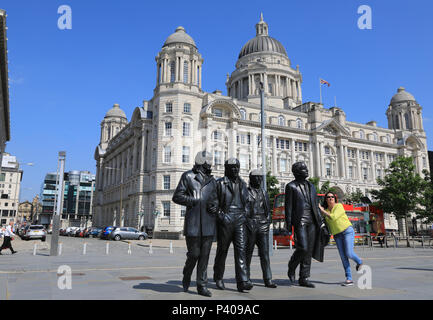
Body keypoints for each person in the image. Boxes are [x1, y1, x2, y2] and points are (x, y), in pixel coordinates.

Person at [172, 151, 218, 297]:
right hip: (193, 223)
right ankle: (187, 274)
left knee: (205, 256)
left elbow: (216, 199)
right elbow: (177, 196)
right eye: (209, 161)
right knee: (194, 254)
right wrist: (193, 201)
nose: (211, 163)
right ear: (202, 162)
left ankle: (201, 285)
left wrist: (215, 206)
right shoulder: (188, 176)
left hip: (209, 223)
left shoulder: (213, 180)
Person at [212, 158, 253, 293]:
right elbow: (213, 204)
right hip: (226, 219)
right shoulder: (219, 183)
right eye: (232, 167)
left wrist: (245, 213)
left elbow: (247, 202)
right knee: (222, 250)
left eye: (237, 167)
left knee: (241, 250)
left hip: (240, 219)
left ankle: (242, 281)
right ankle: (218, 277)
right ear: (227, 168)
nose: (235, 169)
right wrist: (222, 217)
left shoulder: (242, 183)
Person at [285, 162, 326, 288]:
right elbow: (288, 207)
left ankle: (304, 277)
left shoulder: (312, 186)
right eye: (303, 169)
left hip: (312, 220)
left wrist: (322, 223)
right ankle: (292, 266)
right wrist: (288, 224)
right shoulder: (291, 186)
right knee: (302, 247)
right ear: (296, 172)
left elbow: (316, 205)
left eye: (306, 168)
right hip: (300, 220)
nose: (306, 170)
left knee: (308, 251)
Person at [319, 191, 363, 286]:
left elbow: (333, 217)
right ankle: (349, 278)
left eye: (332, 197)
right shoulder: (326, 211)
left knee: (349, 253)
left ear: (335, 199)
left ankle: (359, 261)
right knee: (343, 257)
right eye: (328, 197)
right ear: (326, 200)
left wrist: (322, 211)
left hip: (347, 231)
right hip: (337, 235)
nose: (330, 198)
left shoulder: (338, 206)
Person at [245, 169, 276, 288]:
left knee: (265, 254)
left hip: (263, 224)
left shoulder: (264, 192)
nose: (259, 180)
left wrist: (267, 221)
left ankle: (268, 279)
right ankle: (246, 278)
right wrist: (249, 222)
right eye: (256, 177)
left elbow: (268, 209)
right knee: (248, 253)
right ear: (251, 179)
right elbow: (244, 209)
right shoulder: (246, 192)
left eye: (260, 178)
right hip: (251, 224)